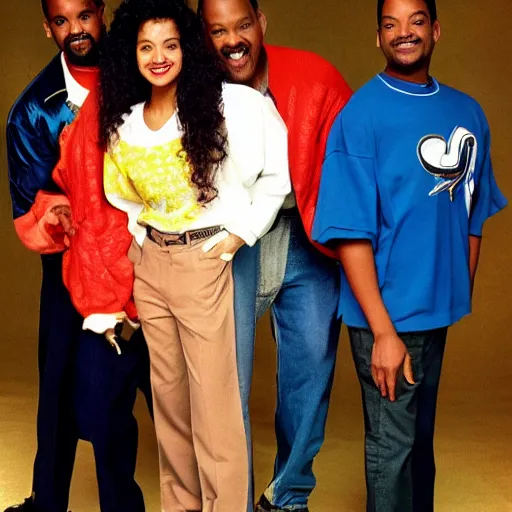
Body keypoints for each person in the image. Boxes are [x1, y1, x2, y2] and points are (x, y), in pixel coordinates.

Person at [313, 0, 507, 510]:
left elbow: (473, 210)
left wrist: (454, 292)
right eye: (390, 23)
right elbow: (350, 234)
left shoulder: (467, 112)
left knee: (419, 444)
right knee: (392, 450)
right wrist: (381, 332)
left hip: (432, 314)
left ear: (435, 30)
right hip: (386, 316)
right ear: (377, 36)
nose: (404, 32)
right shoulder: (361, 116)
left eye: (416, 21)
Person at [100, 0, 291, 510]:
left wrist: (241, 233)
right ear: (130, 55)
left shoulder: (232, 105)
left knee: (216, 411)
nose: (158, 56)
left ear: (187, 48)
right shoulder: (125, 124)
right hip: (154, 268)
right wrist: (141, 246)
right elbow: (120, 195)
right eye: (145, 46)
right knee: (171, 409)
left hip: (206, 263)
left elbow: (279, 173)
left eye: (170, 44)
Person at [199, 0, 352, 510]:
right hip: (232, 237)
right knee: (226, 378)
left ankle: (287, 496)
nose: (233, 40)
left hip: (304, 232)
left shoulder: (314, 76)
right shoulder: (189, 87)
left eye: (242, 25)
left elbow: (355, 164)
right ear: (204, 35)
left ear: (261, 24)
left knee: (310, 369)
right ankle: (232, 502)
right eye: (218, 31)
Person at [5, 1, 151, 511]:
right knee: (64, 399)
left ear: (102, 13)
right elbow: (28, 206)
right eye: (62, 21)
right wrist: (61, 215)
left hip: (153, 261)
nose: (75, 30)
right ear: (48, 27)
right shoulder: (32, 110)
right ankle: (50, 503)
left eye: (84, 15)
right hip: (74, 274)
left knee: (176, 395)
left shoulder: (140, 63)